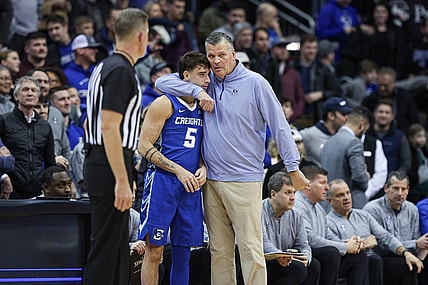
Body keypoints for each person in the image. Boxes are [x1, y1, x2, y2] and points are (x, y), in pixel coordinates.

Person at [156, 31, 309, 285]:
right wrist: (199, 93)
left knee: (250, 249)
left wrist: (293, 167)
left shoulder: (256, 83)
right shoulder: (205, 83)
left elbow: (280, 126)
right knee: (219, 251)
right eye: (211, 56)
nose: (216, 62)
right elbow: (162, 84)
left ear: (233, 55)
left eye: (222, 56)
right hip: (211, 181)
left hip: (244, 181)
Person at [82, 8, 149, 285]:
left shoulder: (103, 66)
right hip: (110, 163)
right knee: (107, 250)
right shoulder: (121, 71)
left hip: (105, 160)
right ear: (142, 36)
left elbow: (89, 123)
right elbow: (108, 127)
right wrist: (121, 179)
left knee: (119, 247)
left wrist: (125, 175)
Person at [139, 51, 210, 285]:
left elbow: (200, 148)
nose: (207, 80)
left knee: (183, 253)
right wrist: (178, 170)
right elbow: (143, 146)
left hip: (190, 186)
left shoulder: (203, 107)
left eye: (208, 74)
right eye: (201, 74)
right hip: (163, 182)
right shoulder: (164, 103)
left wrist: (203, 167)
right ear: (186, 76)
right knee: (154, 251)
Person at [327, 178, 423, 285]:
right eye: (340, 195)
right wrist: (364, 244)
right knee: (374, 260)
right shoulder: (328, 222)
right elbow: (339, 247)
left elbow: (385, 236)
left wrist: (405, 252)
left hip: (374, 262)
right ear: (329, 200)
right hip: (350, 265)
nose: (346, 198)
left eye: (347, 193)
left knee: (407, 265)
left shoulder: (363, 215)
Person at [294, 165, 369, 285]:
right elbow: (310, 239)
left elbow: (328, 235)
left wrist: (348, 243)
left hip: (322, 254)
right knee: (330, 253)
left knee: (358, 256)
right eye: (322, 183)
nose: (327, 187)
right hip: (303, 254)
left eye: (326, 183)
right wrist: (345, 248)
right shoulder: (297, 204)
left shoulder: (319, 208)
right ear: (307, 184)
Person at [363, 171, 428, 284]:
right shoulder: (372, 209)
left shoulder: (412, 209)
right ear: (386, 188)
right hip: (381, 259)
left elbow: (415, 244)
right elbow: (379, 246)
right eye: (395, 188)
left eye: (403, 189)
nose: (400, 193)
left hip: (408, 256)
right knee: (407, 265)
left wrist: (416, 246)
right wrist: (414, 244)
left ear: (408, 190)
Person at [0, 76, 56, 199]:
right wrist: (2, 176)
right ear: (16, 97)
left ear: (38, 96)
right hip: (9, 190)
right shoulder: (3, 121)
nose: (30, 93)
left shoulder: (45, 126)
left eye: (33, 90)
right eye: (25, 90)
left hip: (38, 190)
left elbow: (50, 162)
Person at [262, 172, 320, 285]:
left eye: (294, 192)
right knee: (297, 269)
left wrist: (306, 257)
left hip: (286, 258)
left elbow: (303, 244)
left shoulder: (296, 215)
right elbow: (263, 242)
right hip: (266, 261)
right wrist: (280, 255)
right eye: (288, 193)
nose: (293, 198)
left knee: (314, 266)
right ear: (273, 194)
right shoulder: (259, 211)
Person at [320, 107, 371, 209]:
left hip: (328, 204)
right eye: (364, 131)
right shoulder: (354, 142)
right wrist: (366, 176)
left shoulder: (328, 142)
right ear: (361, 125)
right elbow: (359, 175)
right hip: (349, 205)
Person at [300, 96, 352, 166]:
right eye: (343, 114)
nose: (347, 118)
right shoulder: (309, 134)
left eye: (348, 114)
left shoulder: (346, 135)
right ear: (331, 116)